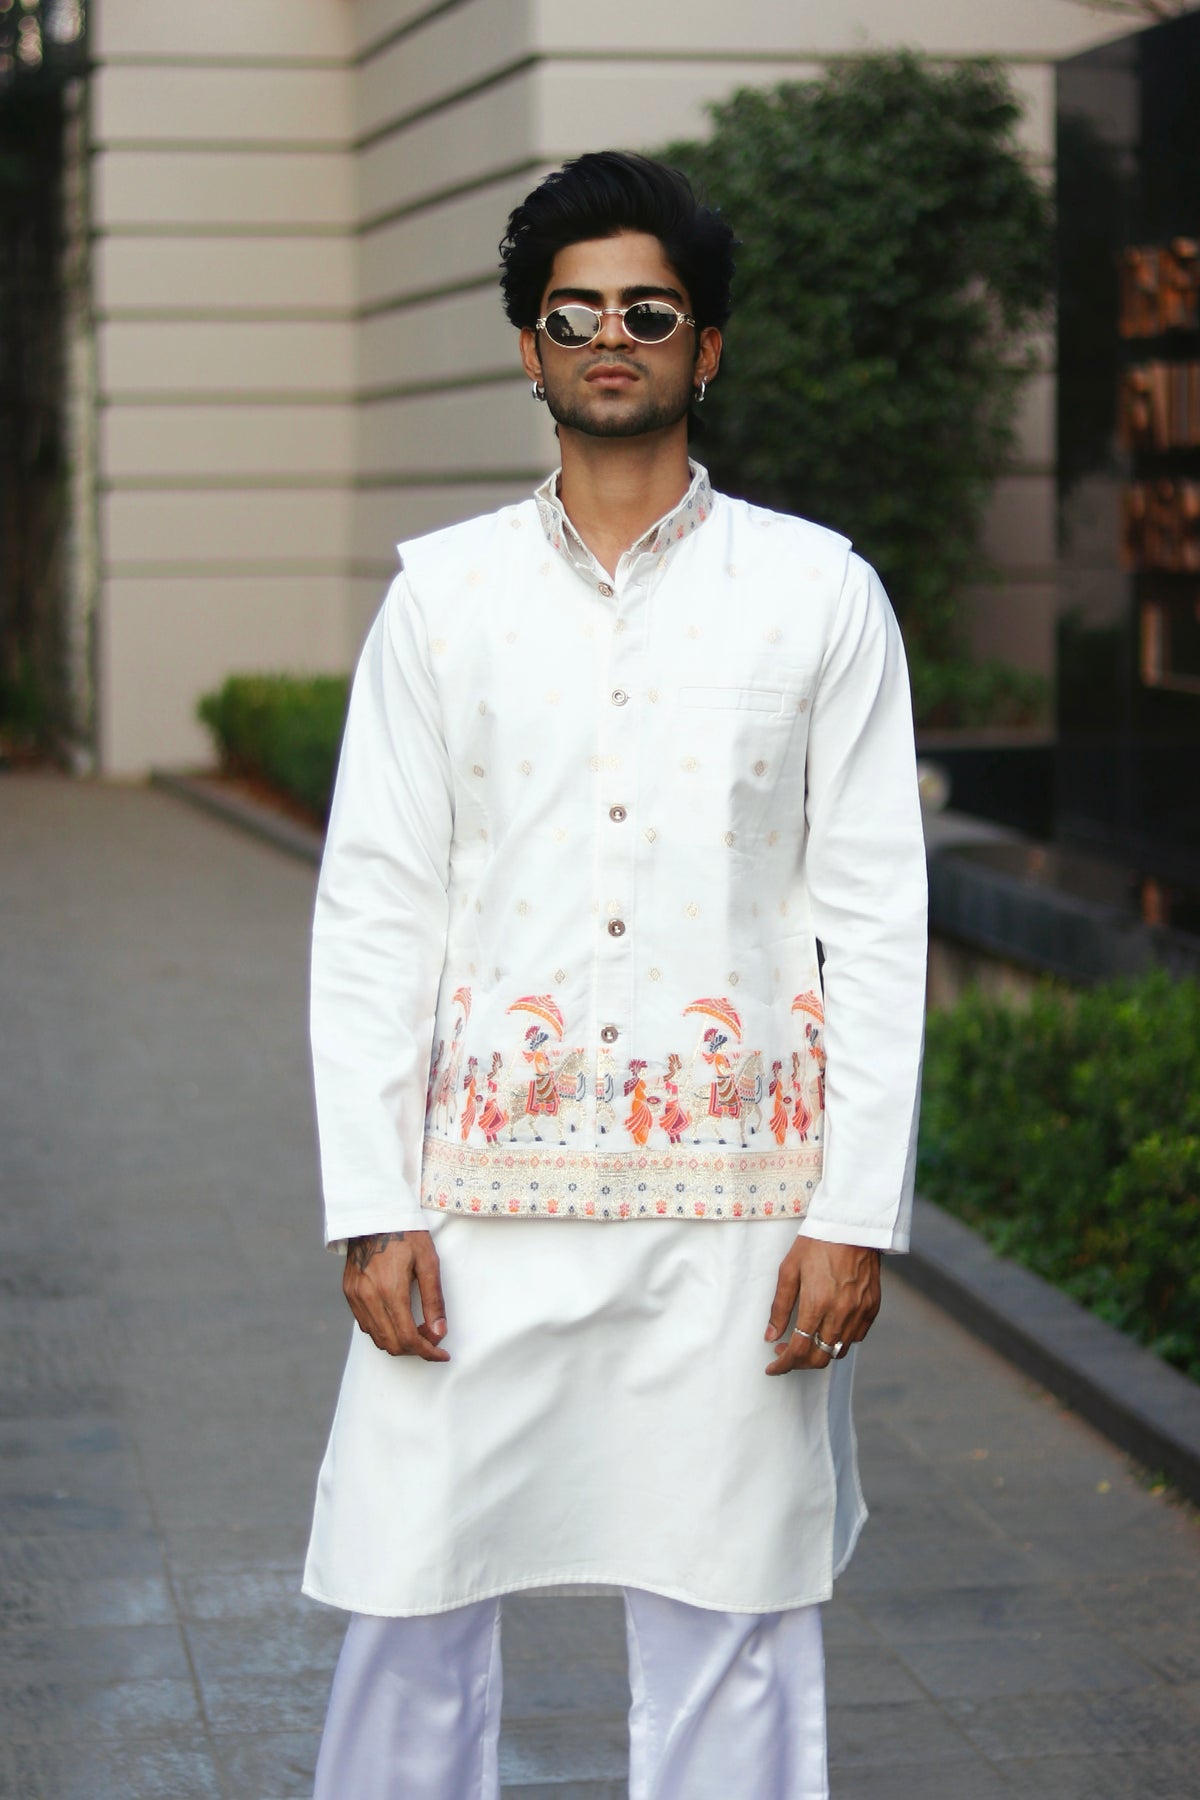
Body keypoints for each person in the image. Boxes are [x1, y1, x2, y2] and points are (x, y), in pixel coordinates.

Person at [305, 150, 927, 1800]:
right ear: (528, 346)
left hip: (739, 1217)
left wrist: (853, 1215)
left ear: (704, 346)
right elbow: (376, 909)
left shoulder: (816, 593)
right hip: (472, 1207)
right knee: (409, 1596)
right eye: (572, 313)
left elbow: (876, 917)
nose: (608, 339)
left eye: (647, 312)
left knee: (735, 1613)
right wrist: (372, 1200)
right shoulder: (442, 600)